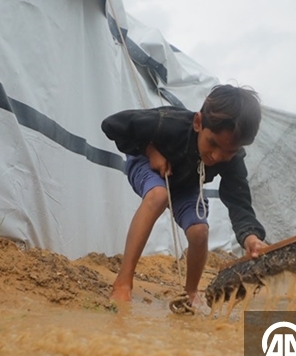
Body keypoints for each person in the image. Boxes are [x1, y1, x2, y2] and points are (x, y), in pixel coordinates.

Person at [102, 85, 270, 306]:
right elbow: (113, 125)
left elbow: (238, 200)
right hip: (148, 164)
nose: (217, 156)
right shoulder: (168, 122)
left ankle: (191, 293)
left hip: (187, 183)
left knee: (200, 231)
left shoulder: (233, 159)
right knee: (159, 195)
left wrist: (250, 237)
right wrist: (150, 150)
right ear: (198, 122)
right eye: (213, 143)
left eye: (229, 152)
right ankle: (123, 282)